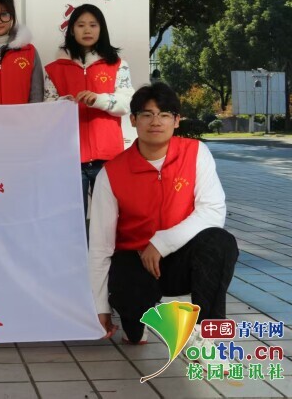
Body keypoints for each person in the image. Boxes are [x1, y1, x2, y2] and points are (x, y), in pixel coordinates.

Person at [89, 83, 238, 357]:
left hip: (181, 261)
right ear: (133, 120)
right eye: (146, 115)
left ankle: (207, 333)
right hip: (135, 263)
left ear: (176, 120)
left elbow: (212, 211)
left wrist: (162, 243)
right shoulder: (111, 173)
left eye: (164, 114)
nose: (155, 122)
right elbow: (100, 246)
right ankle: (135, 323)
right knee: (134, 335)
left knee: (220, 241)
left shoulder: (195, 153)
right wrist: (100, 308)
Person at [44, 4, 133, 219]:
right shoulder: (54, 69)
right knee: (72, 219)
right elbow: (47, 107)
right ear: (71, 30)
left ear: (101, 29)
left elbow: (127, 103)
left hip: (108, 157)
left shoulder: (117, 65)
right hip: (69, 157)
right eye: (81, 25)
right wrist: (62, 104)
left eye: (93, 25)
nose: (87, 30)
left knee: (110, 218)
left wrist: (98, 100)